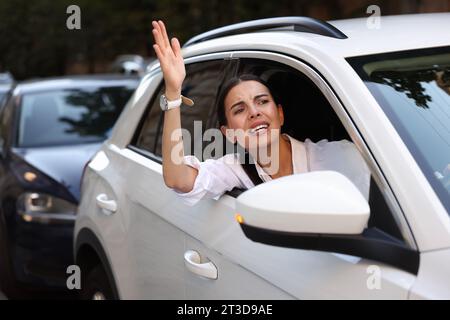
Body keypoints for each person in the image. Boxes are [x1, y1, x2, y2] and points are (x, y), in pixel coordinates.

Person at [151, 20, 370, 206]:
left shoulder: (340, 157)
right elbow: (177, 179)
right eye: (239, 109)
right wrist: (173, 92)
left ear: (280, 114)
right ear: (228, 133)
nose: (254, 112)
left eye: (262, 101)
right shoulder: (237, 168)